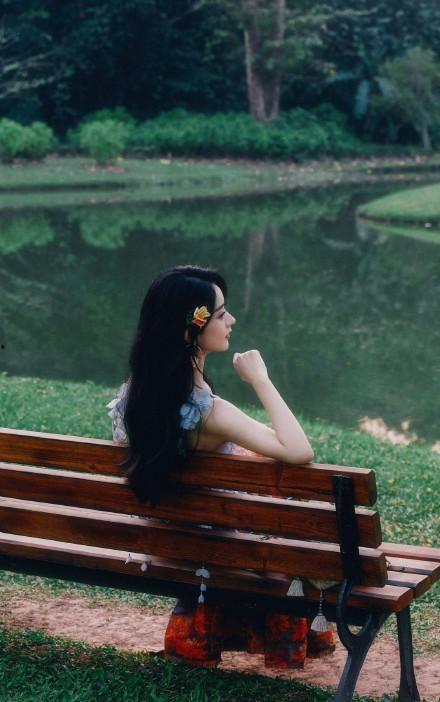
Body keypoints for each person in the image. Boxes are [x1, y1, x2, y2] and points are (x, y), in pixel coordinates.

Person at [107, 264, 335, 668]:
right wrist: (260, 379)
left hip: (168, 537)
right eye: (221, 314)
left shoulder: (133, 399)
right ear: (189, 332)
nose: (231, 321)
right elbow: (300, 450)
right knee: (309, 529)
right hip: (219, 546)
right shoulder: (209, 412)